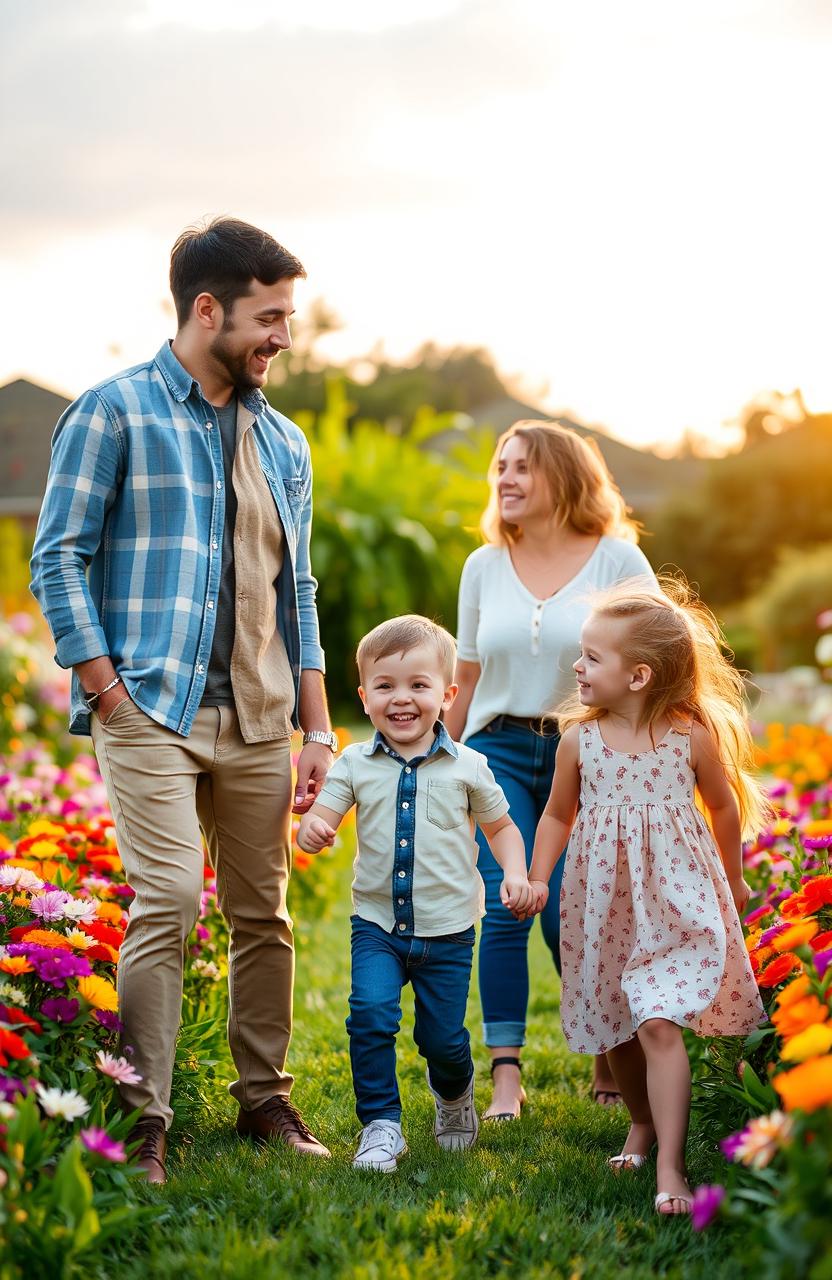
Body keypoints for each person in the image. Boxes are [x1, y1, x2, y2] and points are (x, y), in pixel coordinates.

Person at [30, 217, 338, 1182]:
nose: (283, 337)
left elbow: (301, 591)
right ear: (208, 309)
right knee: (166, 898)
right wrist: (103, 686)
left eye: (287, 317)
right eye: (270, 317)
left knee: (264, 913)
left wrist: (318, 725)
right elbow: (59, 555)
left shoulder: (285, 442)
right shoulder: (112, 413)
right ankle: (144, 1117)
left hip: (257, 714)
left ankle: (264, 1102)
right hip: (147, 710)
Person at [525, 581, 768, 1215]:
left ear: (639, 676)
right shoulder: (580, 741)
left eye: (592, 657)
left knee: (658, 1021)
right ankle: (640, 1120)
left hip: (678, 897)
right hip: (604, 900)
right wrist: (538, 876)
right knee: (618, 1025)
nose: (577, 667)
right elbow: (556, 815)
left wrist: (734, 877)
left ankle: (670, 1166)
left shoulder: (691, 737)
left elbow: (721, 803)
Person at [444, 420, 656, 1120]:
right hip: (497, 749)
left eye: (523, 467)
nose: (504, 478)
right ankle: (506, 1070)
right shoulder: (482, 565)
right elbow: (467, 677)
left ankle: (608, 1048)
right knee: (506, 905)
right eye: (500, 466)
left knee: (577, 909)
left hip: (588, 755)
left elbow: (660, 656)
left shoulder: (617, 561)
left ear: (564, 477)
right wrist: (435, 766)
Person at [297, 615, 533, 1171]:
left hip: (448, 931)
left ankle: (453, 1093)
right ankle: (381, 1125)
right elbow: (322, 818)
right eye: (385, 686)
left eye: (418, 685)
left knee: (442, 1040)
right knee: (370, 1015)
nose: (401, 699)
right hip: (376, 925)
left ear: (448, 695)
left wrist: (516, 874)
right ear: (364, 695)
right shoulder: (354, 762)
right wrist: (313, 831)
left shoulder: (470, 767)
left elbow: (501, 828)